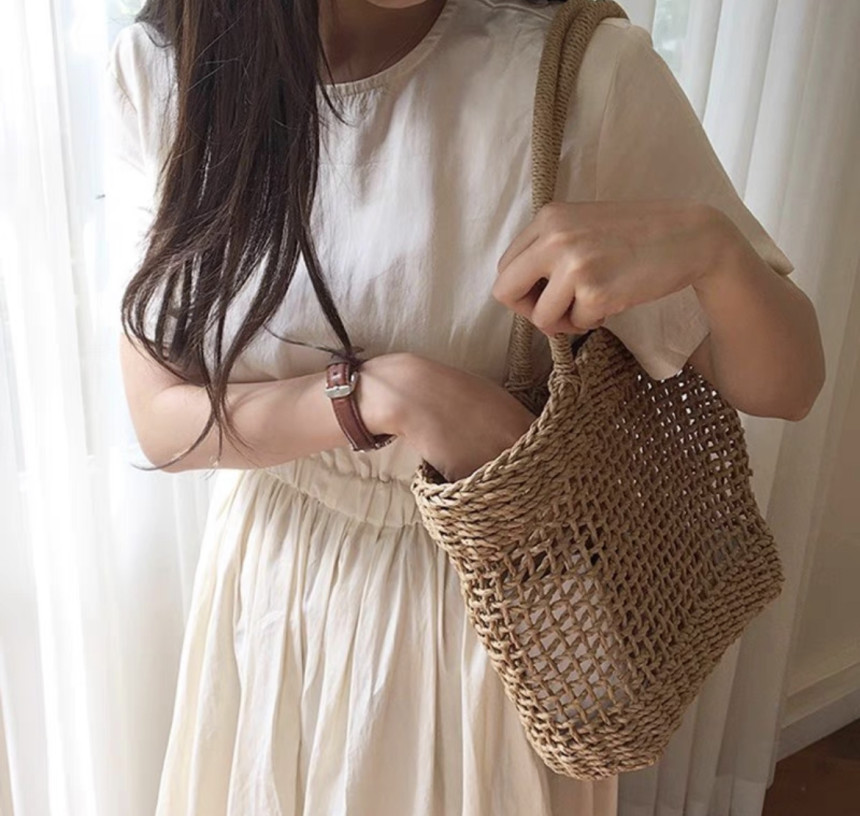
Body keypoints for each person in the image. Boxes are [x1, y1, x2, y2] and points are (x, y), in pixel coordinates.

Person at [105, 0, 821, 814]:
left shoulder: (579, 76)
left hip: (489, 620)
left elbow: (789, 384)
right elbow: (162, 420)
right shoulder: (168, 68)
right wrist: (391, 395)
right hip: (269, 596)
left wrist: (713, 249)